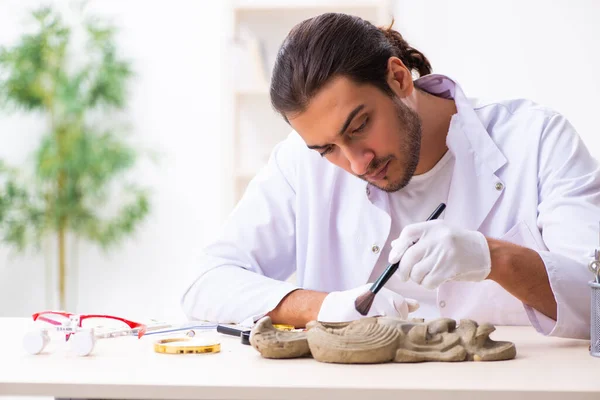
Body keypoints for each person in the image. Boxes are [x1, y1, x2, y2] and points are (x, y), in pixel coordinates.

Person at [181, 13, 600, 339]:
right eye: (327, 149)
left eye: (359, 125)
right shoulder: (300, 163)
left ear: (398, 78)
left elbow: (596, 302)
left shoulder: (537, 139)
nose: (357, 164)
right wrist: (325, 307)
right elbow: (206, 283)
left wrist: (494, 259)